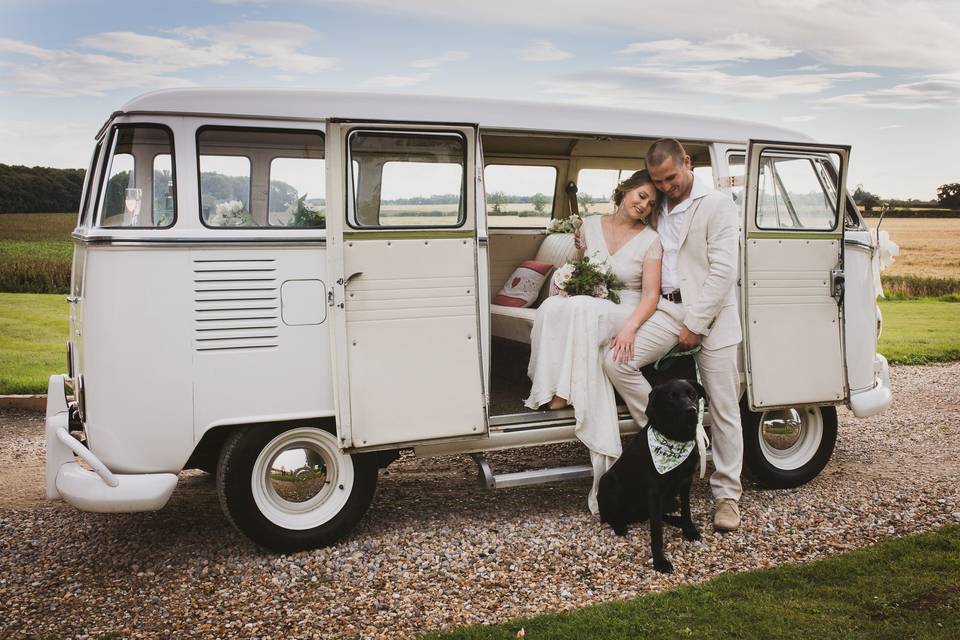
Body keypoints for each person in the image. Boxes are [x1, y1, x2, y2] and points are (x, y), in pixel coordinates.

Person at [602, 139, 744, 531]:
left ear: (687, 161)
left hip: (712, 315)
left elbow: (723, 272)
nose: (666, 187)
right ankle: (679, 434)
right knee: (617, 361)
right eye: (659, 182)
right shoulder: (657, 204)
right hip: (666, 307)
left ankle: (727, 498)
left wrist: (696, 325)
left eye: (671, 178)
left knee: (724, 406)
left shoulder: (717, 204)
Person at [525, 170, 663, 514]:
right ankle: (553, 389)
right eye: (641, 196)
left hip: (627, 306)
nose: (644, 205)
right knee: (553, 306)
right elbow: (585, 269)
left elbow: (651, 295)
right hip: (595, 297)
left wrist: (631, 328)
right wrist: (573, 280)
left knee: (582, 308)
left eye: (651, 203)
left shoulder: (651, 240)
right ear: (624, 190)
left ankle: (568, 395)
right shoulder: (587, 226)